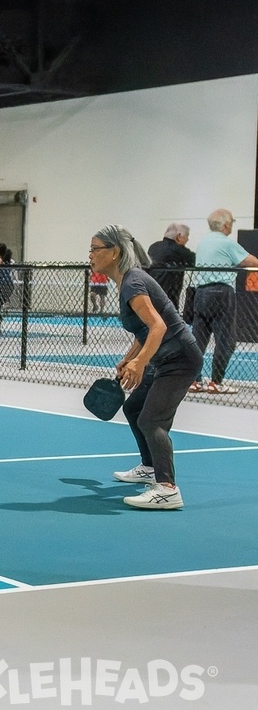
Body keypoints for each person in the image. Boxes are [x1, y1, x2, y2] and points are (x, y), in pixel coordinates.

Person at [90, 225, 201, 510]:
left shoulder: (133, 282)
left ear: (114, 252)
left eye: (95, 249)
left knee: (152, 420)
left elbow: (158, 326)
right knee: (133, 409)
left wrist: (140, 363)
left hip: (180, 360)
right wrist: (130, 357)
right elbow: (143, 332)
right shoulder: (126, 281)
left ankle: (167, 489)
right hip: (166, 359)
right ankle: (150, 468)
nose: (90, 255)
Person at [187, 208, 258, 394]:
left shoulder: (203, 242)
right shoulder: (227, 243)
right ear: (226, 225)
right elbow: (251, 261)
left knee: (198, 339)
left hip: (201, 292)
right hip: (221, 292)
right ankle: (216, 382)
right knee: (226, 340)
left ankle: (194, 381)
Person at [147, 223, 195, 313]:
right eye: (187, 236)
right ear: (179, 236)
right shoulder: (180, 251)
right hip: (170, 296)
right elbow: (196, 261)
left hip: (150, 292)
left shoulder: (153, 247)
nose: (187, 239)